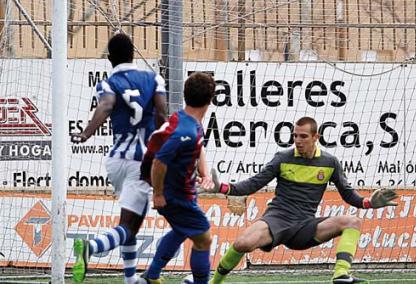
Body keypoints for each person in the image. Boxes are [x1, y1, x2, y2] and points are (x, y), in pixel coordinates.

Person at [206, 116, 398, 284]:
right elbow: (253, 184)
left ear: (316, 137)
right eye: (295, 135)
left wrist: (368, 203)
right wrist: (222, 188)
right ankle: (214, 282)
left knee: (352, 222)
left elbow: (349, 195)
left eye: (303, 136)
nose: (298, 140)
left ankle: (340, 274)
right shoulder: (282, 158)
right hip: (277, 219)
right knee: (242, 243)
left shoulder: (330, 163)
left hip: (305, 226)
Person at [70, 32, 167, 284]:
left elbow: (106, 105)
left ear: (110, 58)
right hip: (141, 163)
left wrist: (86, 133)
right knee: (128, 226)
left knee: (129, 221)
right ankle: (90, 247)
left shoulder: (107, 82)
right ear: (133, 53)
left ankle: (130, 278)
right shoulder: (153, 78)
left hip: (116, 161)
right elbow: (161, 114)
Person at [139, 72, 216, 284]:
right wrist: (158, 194)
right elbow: (159, 162)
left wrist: (205, 174)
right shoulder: (186, 131)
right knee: (203, 238)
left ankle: (151, 276)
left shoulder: (187, 120)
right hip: (175, 196)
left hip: (184, 192)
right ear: (211, 99)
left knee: (182, 231)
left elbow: (198, 148)